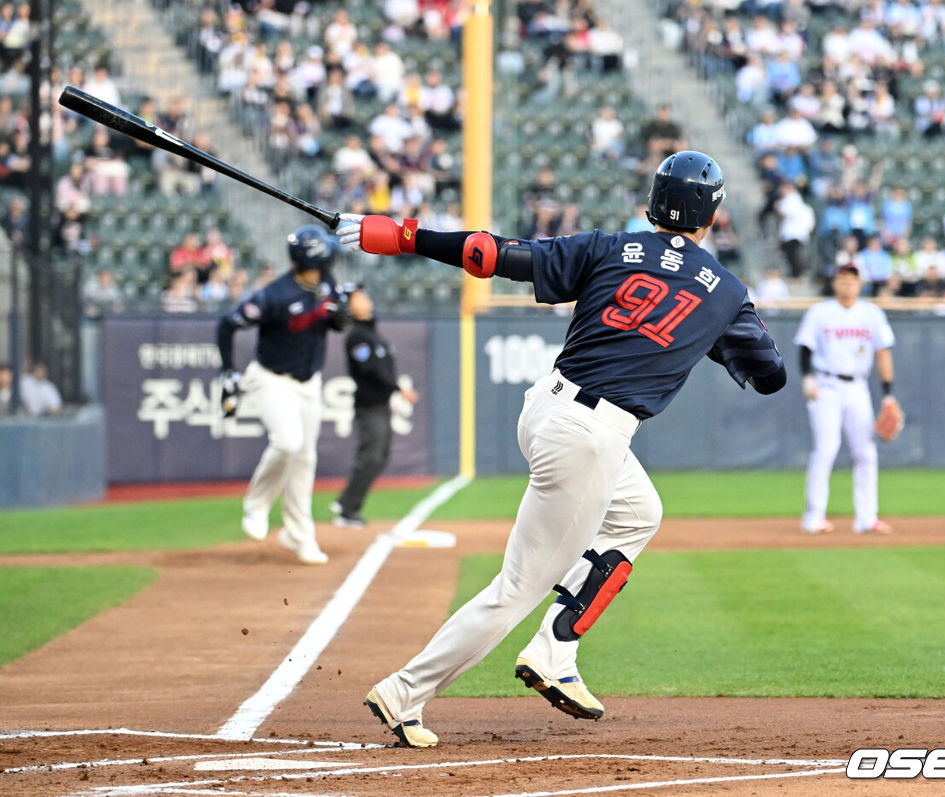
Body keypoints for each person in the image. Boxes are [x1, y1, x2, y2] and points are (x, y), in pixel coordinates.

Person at [335, 150, 787, 747]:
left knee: (639, 512)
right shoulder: (726, 292)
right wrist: (709, 331)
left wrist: (402, 236)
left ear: (653, 203)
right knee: (515, 589)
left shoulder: (609, 247)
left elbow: (492, 253)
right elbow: (770, 375)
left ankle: (555, 649)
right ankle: (405, 691)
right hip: (591, 437)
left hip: (548, 405)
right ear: (712, 215)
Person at [216, 226, 350, 565]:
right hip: (271, 379)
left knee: (305, 459)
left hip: (309, 382)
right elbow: (228, 324)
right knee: (288, 442)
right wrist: (228, 371)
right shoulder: (274, 295)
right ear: (313, 259)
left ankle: (299, 535)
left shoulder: (326, 282)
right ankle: (257, 505)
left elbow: (338, 324)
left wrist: (340, 315)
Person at [795, 263, 896, 535]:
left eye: (853, 279)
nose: (848, 284)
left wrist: (888, 396)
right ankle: (813, 517)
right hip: (826, 386)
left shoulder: (872, 314)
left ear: (859, 284)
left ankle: (867, 519)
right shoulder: (820, 312)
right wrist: (807, 378)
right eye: (843, 279)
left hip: (858, 388)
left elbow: (883, 353)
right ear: (835, 283)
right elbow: (805, 348)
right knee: (825, 450)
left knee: (866, 453)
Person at [330, 287, 419, 528]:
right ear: (349, 306)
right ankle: (347, 508)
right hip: (368, 405)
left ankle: (347, 504)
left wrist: (390, 395)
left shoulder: (373, 334)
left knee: (380, 457)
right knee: (371, 456)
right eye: (358, 297)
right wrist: (398, 389)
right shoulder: (357, 336)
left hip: (380, 404)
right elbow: (371, 370)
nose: (366, 299)